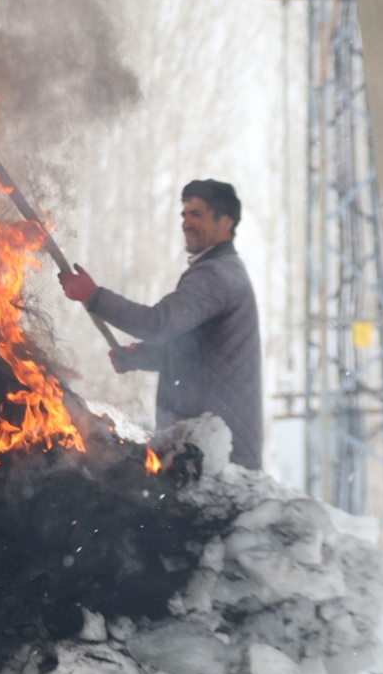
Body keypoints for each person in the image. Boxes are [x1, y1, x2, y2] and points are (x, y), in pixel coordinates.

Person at [58, 180, 262, 469]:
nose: (187, 223)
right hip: (214, 455)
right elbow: (197, 352)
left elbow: (158, 324)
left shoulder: (215, 276)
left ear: (226, 223)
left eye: (197, 214)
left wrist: (94, 296)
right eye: (184, 214)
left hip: (216, 461)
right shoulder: (222, 271)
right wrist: (143, 356)